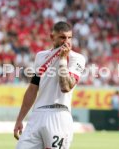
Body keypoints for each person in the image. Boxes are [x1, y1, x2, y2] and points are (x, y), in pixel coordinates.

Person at [14, 21, 85, 149]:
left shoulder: (77, 59)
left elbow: (66, 87)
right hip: (37, 114)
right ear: (52, 37)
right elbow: (32, 89)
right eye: (62, 37)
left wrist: (63, 60)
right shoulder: (41, 57)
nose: (67, 41)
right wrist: (20, 119)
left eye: (69, 38)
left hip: (59, 114)